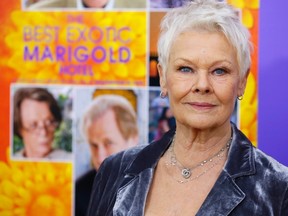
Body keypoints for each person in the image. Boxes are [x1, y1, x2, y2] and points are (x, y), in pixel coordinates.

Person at [87, 0, 288, 215]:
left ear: (241, 82)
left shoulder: (278, 188)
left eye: (219, 71)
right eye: (185, 69)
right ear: (163, 78)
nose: (202, 85)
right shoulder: (115, 170)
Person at [75, 94, 139, 216]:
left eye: (108, 143)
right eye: (94, 145)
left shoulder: (155, 187)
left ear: (133, 139)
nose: (100, 157)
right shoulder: (79, 191)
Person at [13, 87, 71, 159]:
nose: (44, 132)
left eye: (49, 122)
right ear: (19, 128)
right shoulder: (9, 164)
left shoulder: (69, 160)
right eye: (33, 125)